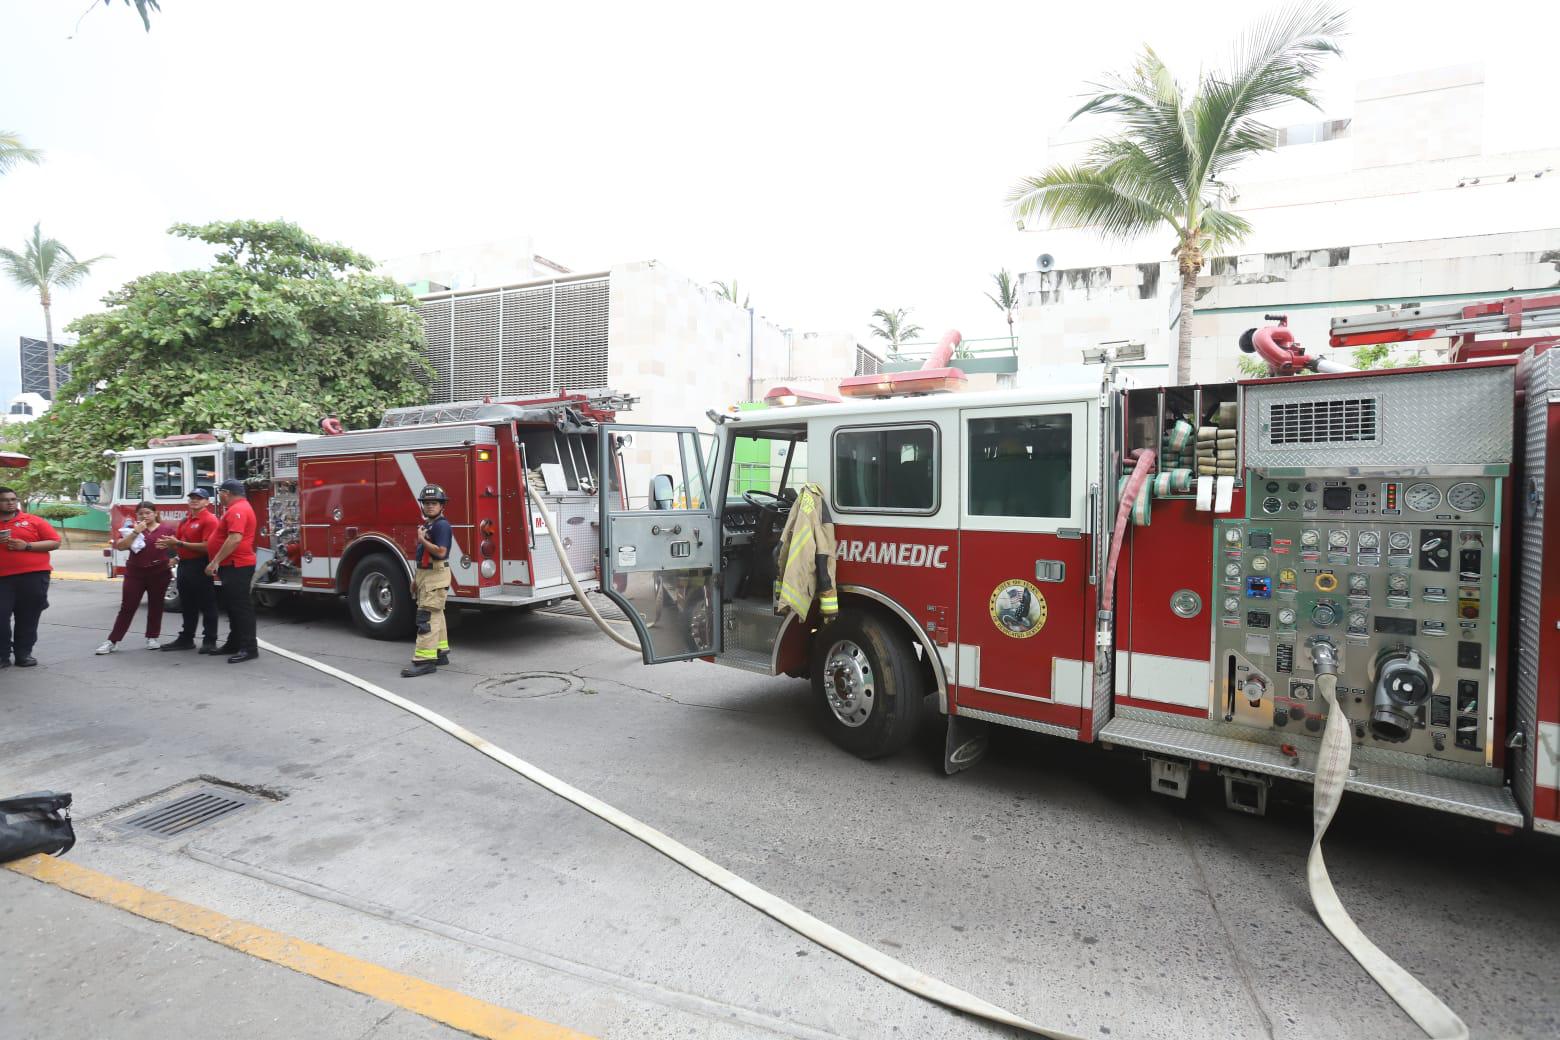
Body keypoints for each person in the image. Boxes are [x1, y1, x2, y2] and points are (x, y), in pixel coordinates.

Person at [96, 502, 177, 654]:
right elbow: (120, 546)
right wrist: (135, 532)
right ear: (137, 515)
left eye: (147, 513)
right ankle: (112, 640)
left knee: (156, 605)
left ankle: (152, 637)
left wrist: (175, 559)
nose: (144, 516)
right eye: (141, 513)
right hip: (135, 572)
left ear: (155, 513)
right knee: (127, 607)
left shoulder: (167, 529)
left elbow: (176, 547)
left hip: (159, 572)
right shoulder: (130, 529)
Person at [0, 486, 61, 668]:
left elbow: (55, 542)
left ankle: (23, 654)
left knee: (28, 616)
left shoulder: (33, 521)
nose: (10, 503)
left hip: (34, 577)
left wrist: (26, 546)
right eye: (5, 500)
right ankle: (2, 656)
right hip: (2, 580)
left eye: (13, 499)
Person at [156, 486, 221, 652]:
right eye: (192, 497)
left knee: (207, 604)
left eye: (199, 498)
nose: (194, 500)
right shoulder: (186, 519)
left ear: (207, 502)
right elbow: (180, 542)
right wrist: (176, 555)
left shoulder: (210, 520)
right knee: (187, 604)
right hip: (185, 565)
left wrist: (178, 544)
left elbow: (208, 547)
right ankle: (186, 638)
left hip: (200, 565)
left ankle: (210, 640)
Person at [205, 478, 259, 663]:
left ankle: (249, 647)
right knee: (233, 607)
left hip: (237, 564)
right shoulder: (238, 508)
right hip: (233, 565)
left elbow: (235, 538)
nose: (218, 496)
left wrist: (215, 561)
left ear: (225, 493)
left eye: (220, 493)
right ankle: (234, 643)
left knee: (240, 608)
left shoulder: (238, 510)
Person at [401, 484, 452, 678]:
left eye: (434, 503)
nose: (430, 506)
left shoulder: (442, 526)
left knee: (426, 618)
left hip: (435, 575)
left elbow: (441, 552)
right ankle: (440, 652)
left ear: (441, 506)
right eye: (427, 503)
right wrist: (416, 578)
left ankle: (424, 661)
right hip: (426, 575)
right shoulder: (430, 525)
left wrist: (422, 540)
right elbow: (423, 557)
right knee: (436, 614)